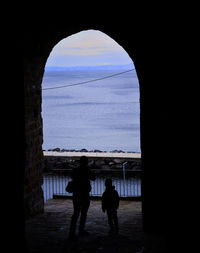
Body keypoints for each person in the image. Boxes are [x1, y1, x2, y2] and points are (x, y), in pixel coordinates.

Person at [68, 156, 95, 240]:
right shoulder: (87, 170)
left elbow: (72, 177)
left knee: (76, 213)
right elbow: (93, 178)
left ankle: (72, 232)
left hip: (76, 194)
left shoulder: (75, 170)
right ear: (86, 162)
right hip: (85, 193)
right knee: (83, 213)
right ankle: (81, 229)